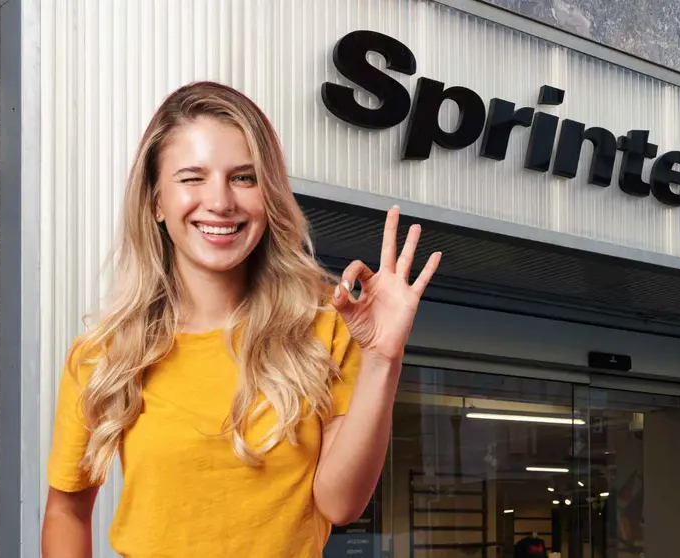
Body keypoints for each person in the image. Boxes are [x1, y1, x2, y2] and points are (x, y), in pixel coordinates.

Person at [40, 81, 441, 557]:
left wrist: (382, 359)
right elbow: (66, 512)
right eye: (192, 178)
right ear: (155, 202)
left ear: (269, 194)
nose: (220, 201)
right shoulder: (103, 356)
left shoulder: (324, 327)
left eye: (244, 178)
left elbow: (340, 505)